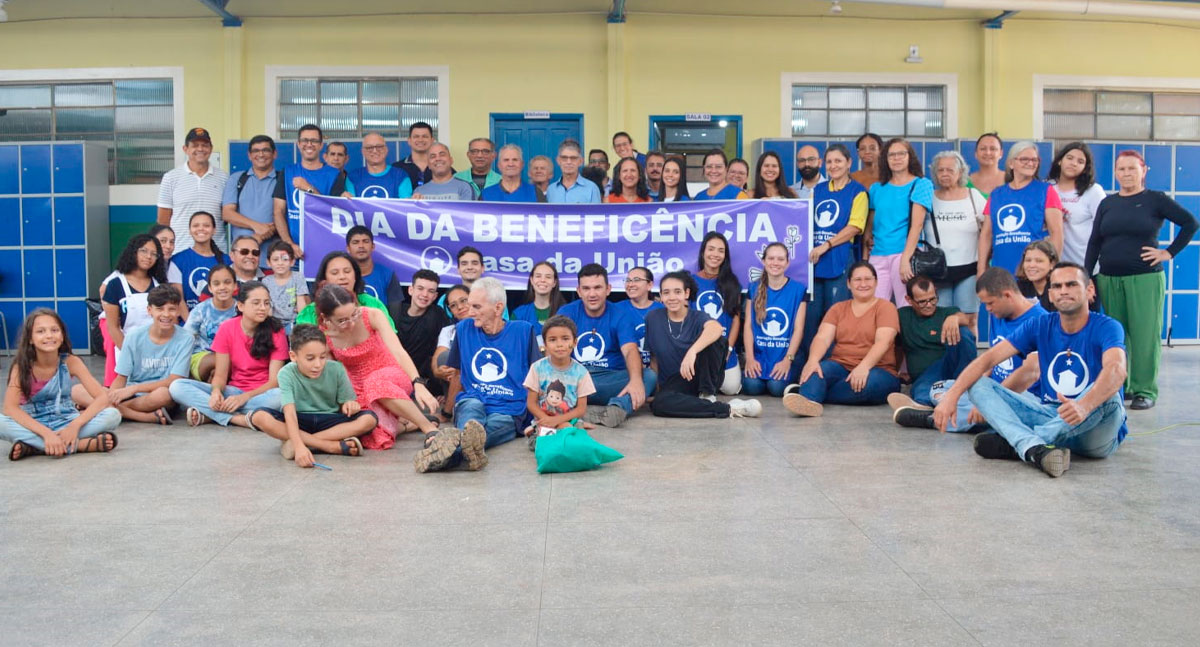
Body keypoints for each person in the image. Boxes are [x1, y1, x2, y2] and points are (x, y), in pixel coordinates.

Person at [933, 263, 1130, 479]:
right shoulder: (1040, 324)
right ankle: (1035, 448)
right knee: (977, 384)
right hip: (1052, 415)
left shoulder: (1107, 326)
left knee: (1108, 392)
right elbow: (987, 360)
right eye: (1057, 286)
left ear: (1089, 289)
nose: (1063, 291)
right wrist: (951, 397)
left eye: (1071, 284)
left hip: (1095, 431)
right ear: (1050, 294)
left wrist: (1084, 406)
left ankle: (1020, 443)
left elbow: (1116, 369)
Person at [1086, 150, 1199, 411]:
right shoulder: (1107, 203)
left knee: (1144, 336)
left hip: (1145, 279)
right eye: (1121, 169)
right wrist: (1086, 276)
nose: (1126, 173)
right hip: (1109, 278)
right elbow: (1094, 242)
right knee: (1117, 335)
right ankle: (1121, 384)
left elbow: (1190, 223)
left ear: (1143, 170)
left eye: (1132, 168)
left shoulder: (1155, 200)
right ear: (1115, 173)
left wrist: (1168, 252)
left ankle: (1145, 389)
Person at [892, 267, 1046, 430]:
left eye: (990, 303)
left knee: (1011, 410)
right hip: (992, 388)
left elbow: (1029, 373)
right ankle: (975, 417)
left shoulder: (1040, 321)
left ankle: (933, 420)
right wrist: (962, 393)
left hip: (1021, 394)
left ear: (1007, 295)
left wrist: (990, 401)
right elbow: (990, 361)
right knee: (939, 389)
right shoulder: (998, 313)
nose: (987, 309)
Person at [416, 277, 541, 473]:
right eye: (469, 304)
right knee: (472, 413)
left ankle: (446, 454)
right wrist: (447, 412)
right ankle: (462, 452)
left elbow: (537, 376)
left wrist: (543, 416)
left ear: (498, 308)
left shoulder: (523, 331)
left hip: (509, 408)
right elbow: (457, 374)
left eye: (476, 306)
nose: (470, 311)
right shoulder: (463, 329)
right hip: (472, 399)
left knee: (488, 428)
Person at [314, 284, 447, 451]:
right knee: (367, 429)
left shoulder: (372, 315)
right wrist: (345, 398)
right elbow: (333, 373)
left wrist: (418, 383)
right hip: (356, 387)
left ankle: (428, 427)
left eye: (354, 314)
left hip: (390, 374)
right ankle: (406, 424)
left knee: (375, 383)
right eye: (342, 321)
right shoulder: (324, 335)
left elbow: (398, 352)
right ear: (326, 318)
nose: (351, 323)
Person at [248, 325, 377, 467]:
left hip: (329, 421)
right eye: (310, 358)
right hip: (300, 420)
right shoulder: (286, 373)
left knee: (369, 419)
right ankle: (328, 446)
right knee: (259, 416)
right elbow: (289, 413)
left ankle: (301, 443)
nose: (318, 364)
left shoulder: (337, 369)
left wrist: (350, 404)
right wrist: (300, 448)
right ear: (293, 356)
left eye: (322, 357)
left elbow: (345, 404)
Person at [783, 261, 901, 416]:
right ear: (848, 284)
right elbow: (822, 338)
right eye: (857, 280)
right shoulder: (838, 308)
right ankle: (810, 404)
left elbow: (883, 342)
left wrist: (864, 367)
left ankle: (813, 393)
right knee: (816, 371)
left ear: (876, 282)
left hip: (878, 369)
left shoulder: (886, 307)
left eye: (868, 279)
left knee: (868, 385)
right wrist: (812, 360)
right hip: (841, 365)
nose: (863, 284)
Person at [2, 309, 120, 461]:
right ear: (30, 339)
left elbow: (102, 397)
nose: (49, 336)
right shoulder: (21, 367)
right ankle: (77, 445)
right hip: (34, 424)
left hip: (66, 421)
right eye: (40, 331)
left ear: (62, 335)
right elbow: (10, 408)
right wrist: (46, 434)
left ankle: (35, 446)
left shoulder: (71, 362)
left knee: (113, 415)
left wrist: (74, 426)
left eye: (54, 330)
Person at [643, 272, 762, 419]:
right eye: (666, 293)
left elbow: (716, 328)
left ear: (686, 293)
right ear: (661, 296)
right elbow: (654, 359)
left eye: (677, 292)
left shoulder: (697, 316)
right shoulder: (653, 318)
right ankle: (729, 408)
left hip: (700, 377)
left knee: (716, 340)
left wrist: (692, 352)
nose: (672, 297)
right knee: (659, 405)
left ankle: (707, 395)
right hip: (674, 383)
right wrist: (657, 391)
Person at [168, 281, 285, 429]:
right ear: (241, 306)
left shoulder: (276, 330)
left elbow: (274, 382)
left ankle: (211, 415)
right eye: (256, 303)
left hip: (262, 393)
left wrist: (244, 398)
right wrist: (216, 392)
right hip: (233, 391)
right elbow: (220, 375)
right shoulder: (227, 328)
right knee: (177, 387)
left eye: (266, 303)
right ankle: (237, 419)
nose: (263, 308)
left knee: (281, 397)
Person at [74, 285, 191, 425]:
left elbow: (173, 380)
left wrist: (133, 389)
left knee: (163, 395)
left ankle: (100, 409)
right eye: (160, 309)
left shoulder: (186, 338)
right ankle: (139, 416)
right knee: (77, 390)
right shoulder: (134, 336)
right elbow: (121, 377)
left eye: (171, 309)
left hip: (156, 395)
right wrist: (112, 395)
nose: (166, 314)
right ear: (149, 310)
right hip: (130, 394)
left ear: (178, 311)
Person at [559, 264, 654, 428]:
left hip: (609, 380)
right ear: (579, 291)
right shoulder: (567, 312)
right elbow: (554, 352)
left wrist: (636, 380)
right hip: (575, 379)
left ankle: (615, 408)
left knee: (648, 376)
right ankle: (581, 409)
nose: (592, 294)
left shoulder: (620, 314)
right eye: (586, 288)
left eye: (597, 287)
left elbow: (630, 350)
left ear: (608, 289)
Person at [807, 144, 869, 349]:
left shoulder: (858, 192)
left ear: (849, 163)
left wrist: (827, 245)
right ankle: (808, 360)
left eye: (838, 161)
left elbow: (855, 227)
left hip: (840, 258)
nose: (833, 166)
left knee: (834, 315)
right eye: (829, 162)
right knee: (810, 315)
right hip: (814, 260)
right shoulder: (818, 190)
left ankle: (831, 361)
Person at [978, 140, 1064, 276]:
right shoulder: (996, 194)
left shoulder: (1046, 191)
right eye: (1024, 159)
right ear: (1011, 163)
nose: (1030, 163)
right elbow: (986, 235)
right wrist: (981, 270)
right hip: (1000, 271)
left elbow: (1057, 233)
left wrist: (1051, 268)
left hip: (1033, 271)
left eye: (1034, 160)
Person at [890, 276, 976, 409]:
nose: (929, 305)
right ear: (909, 300)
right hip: (924, 377)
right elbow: (896, 346)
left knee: (963, 332)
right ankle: (929, 409)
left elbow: (965, 319)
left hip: (950, 369)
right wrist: (895, 372)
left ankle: (966, 388)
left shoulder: (946, 312)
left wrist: (955, 318)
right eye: (922, 302)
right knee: (923, 392)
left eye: (932, 299)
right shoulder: (902, 316)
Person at [866, 138, 934, 307]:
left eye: (901, 154)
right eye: (892, 155)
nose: (896, 158)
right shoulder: (876, 188)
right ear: (885, 159)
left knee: (906, 306)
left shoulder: (921, 184)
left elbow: (917, 226)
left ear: (910, 156)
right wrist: (866, 252)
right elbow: (871, 221)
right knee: (875, 307)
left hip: (904, 253)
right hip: (878, 254)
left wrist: (905, 259)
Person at [272, 124, 351, 260]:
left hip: (324, 250)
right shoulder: (288, 171)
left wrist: (309, 188)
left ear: (321, 145)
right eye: (305, 140)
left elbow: (331, 211)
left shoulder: (333, 174)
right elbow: (278, 211)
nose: (309, 144)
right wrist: (289, 244)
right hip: (292, 253)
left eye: (314, 141)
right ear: (298, 144)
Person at [929, 150, 987, 328]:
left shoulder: (973, 196)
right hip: (938, 271)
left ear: (960, 172)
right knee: (941, 320)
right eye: (940, 170)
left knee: (969, 319)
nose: (945, 174)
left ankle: (969, 349)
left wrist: (983, 267)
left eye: (950, 170)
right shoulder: (929, 198)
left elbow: (988, 231)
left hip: (969, 269)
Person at [742, 243, 807, 397]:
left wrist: (787, 360)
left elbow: (798, 329)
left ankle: (794, 380)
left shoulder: (798, 290)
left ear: (787, 263)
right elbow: (748, 326)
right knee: (751, 387)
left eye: (780, 259)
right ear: (763, 261)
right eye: (771, 258)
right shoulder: (753, 288)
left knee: (776, 387)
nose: (775, 263)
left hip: (784, 355)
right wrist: (750, 358)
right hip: (761, 356)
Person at [522, 315, 594, 441]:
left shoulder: (581, 372)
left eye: (565, 339)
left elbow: (581, 409)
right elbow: (531, 403)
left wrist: (558, 420)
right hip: (544, 419)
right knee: (540, 443)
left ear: (575, 342)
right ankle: (536, 431)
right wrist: (547, 419)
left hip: (569, 420)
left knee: (571, 434)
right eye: (553, 340)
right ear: (545, 344)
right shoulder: (537, 368)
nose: (559, 344)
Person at [103, 234, 166, 375]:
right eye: (144, 251)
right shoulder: (115, 285)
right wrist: (130, 355)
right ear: (133, 252)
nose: (148, 257)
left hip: (158, 352)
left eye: (154, 254)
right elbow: (113, 327)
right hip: (126, 349)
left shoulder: (160, 285)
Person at [157, 127, 228, 251]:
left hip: (216, 252)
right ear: (185, 149)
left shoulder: (224, 178)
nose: (200, 149)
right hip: (180, 250)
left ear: (211, 149)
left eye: (205, 145)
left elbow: (227, 215)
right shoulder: (171, 178)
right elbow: (163, 220)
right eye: (195, 145)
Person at [692, 232, 743, 395]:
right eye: (711, 249)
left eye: (721, 250)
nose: (715, 254)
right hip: (698, 347)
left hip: (723, 347)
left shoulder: (732, 283)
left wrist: (729, 349)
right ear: (703, 252)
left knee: (731, 388)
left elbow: (736, 320)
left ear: (725, 256)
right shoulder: (690, 282)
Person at [389, 269, 451, 398]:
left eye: (431, 291)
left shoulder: (437, 315)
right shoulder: (394, 312)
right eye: (420, 288)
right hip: (393, 376)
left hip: (424, 382)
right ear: (410, 290)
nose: (425, 294)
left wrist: (444, 392)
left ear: (435, 296)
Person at [295, 252, 396, 330]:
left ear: (355, 276)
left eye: (347, 271)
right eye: (335, 273)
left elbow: (389, 340)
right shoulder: (310, 312)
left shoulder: (373, 305)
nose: (342, 277)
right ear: (325, 280)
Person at [222, 134, 280, 265]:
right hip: (241, 260)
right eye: (256, 151)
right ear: (249, 155)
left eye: (265, 150)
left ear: (274, 154)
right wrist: (256, 226)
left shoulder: (282, 180)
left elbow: (286, 217)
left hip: (273, 261)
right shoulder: (237, 179)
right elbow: (227, 214)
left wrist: (261, 236)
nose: (261, 154)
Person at [1048, 142, 1107, 266]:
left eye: (1080, 161)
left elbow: (1104, 227)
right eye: (1069, 158)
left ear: (1085, 168)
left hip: (1085, 266)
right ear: (1060, 161)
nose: (1074, 163)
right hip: (1054, 266)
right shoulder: (1047, 188)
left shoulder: (1093, 191)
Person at [182, 264, 239, 382]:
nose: (222, 287)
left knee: (218, 371)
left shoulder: (242, 309)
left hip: (235, 359)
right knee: (221, 362)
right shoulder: (200, 310)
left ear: (235, 285)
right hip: (203, 356)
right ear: (210, 288)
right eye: (216, 284)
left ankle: (212, 389)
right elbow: (185, 339)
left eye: (227, 282)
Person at [167, 211, 227, 313]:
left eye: (206, 225)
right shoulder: (178, 260)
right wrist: (191, 322)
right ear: (190, 231)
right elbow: (178, 300)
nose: (201, 229)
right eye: (196, 226)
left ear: (214, 230)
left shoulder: (227, 260)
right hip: (187, 321)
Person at [431, 284, 471, 420]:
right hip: (454, 378)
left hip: (479, 377)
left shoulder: (485, 326)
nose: (460, 307)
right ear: (450, 311)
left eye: (464, 301)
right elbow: (438, 356)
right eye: (453, 305)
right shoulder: (449, 330)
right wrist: (437, 371)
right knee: (445, 357)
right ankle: (453, 402)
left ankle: (448, 412)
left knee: (461, 362)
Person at [612, 266, 663, 370]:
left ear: (649, 285)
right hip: (624, 371)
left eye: (636, 280)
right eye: (628, 280)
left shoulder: (663, 310)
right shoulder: (615, 309)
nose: (631, 284)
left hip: (659, 369)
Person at [345, 225, 401, 305]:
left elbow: (395, 311)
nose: (361, 246)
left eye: (365, 241)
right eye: (355, 242)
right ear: (348, 248)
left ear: (373, 246)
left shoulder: (388, 274)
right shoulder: (342, 277)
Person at [347, 132, 413, 200]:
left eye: (379, 147)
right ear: (363, 152)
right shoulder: (353, 177)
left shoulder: (400, 176)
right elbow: (350, 204)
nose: (375, 151)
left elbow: (405, 204)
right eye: (369, 147)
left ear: (386, 150)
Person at [263, 240, 309, 331]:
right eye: (275, 260)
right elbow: (268, 307)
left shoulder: (298, 277)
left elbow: (301, 303)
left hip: (294, 321)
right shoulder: (266, 281)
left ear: (292, 262)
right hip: (274, 322)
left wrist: (303, 325)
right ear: (268, 262)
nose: (280, 263)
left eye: (285, 259)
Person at [513, 261, 566, 335]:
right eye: (538, 276)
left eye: (548, 277)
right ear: (531, 280)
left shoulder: (566, 312)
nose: (543, 280)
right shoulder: (519, 314)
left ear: (554, 282)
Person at [547, 139, 601, 204]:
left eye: (573, 158)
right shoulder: (551, 190)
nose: (568, 162)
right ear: (558, 160)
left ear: (581, 161)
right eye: (564, 158)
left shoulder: (592, 188)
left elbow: (596, 210)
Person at [393, 121, 436, 189]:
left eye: (425, 136)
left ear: (432, 140)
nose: (420, 140)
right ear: (409, 141)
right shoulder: (396, 168)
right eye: (416, 136)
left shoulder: (442, 168)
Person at [969, 132, 1005, 197]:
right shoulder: (964, 183)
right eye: (983, 149)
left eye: (993, 149)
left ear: (1001, 153)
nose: (988, 153)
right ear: (976, 153)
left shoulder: (1011, 181)